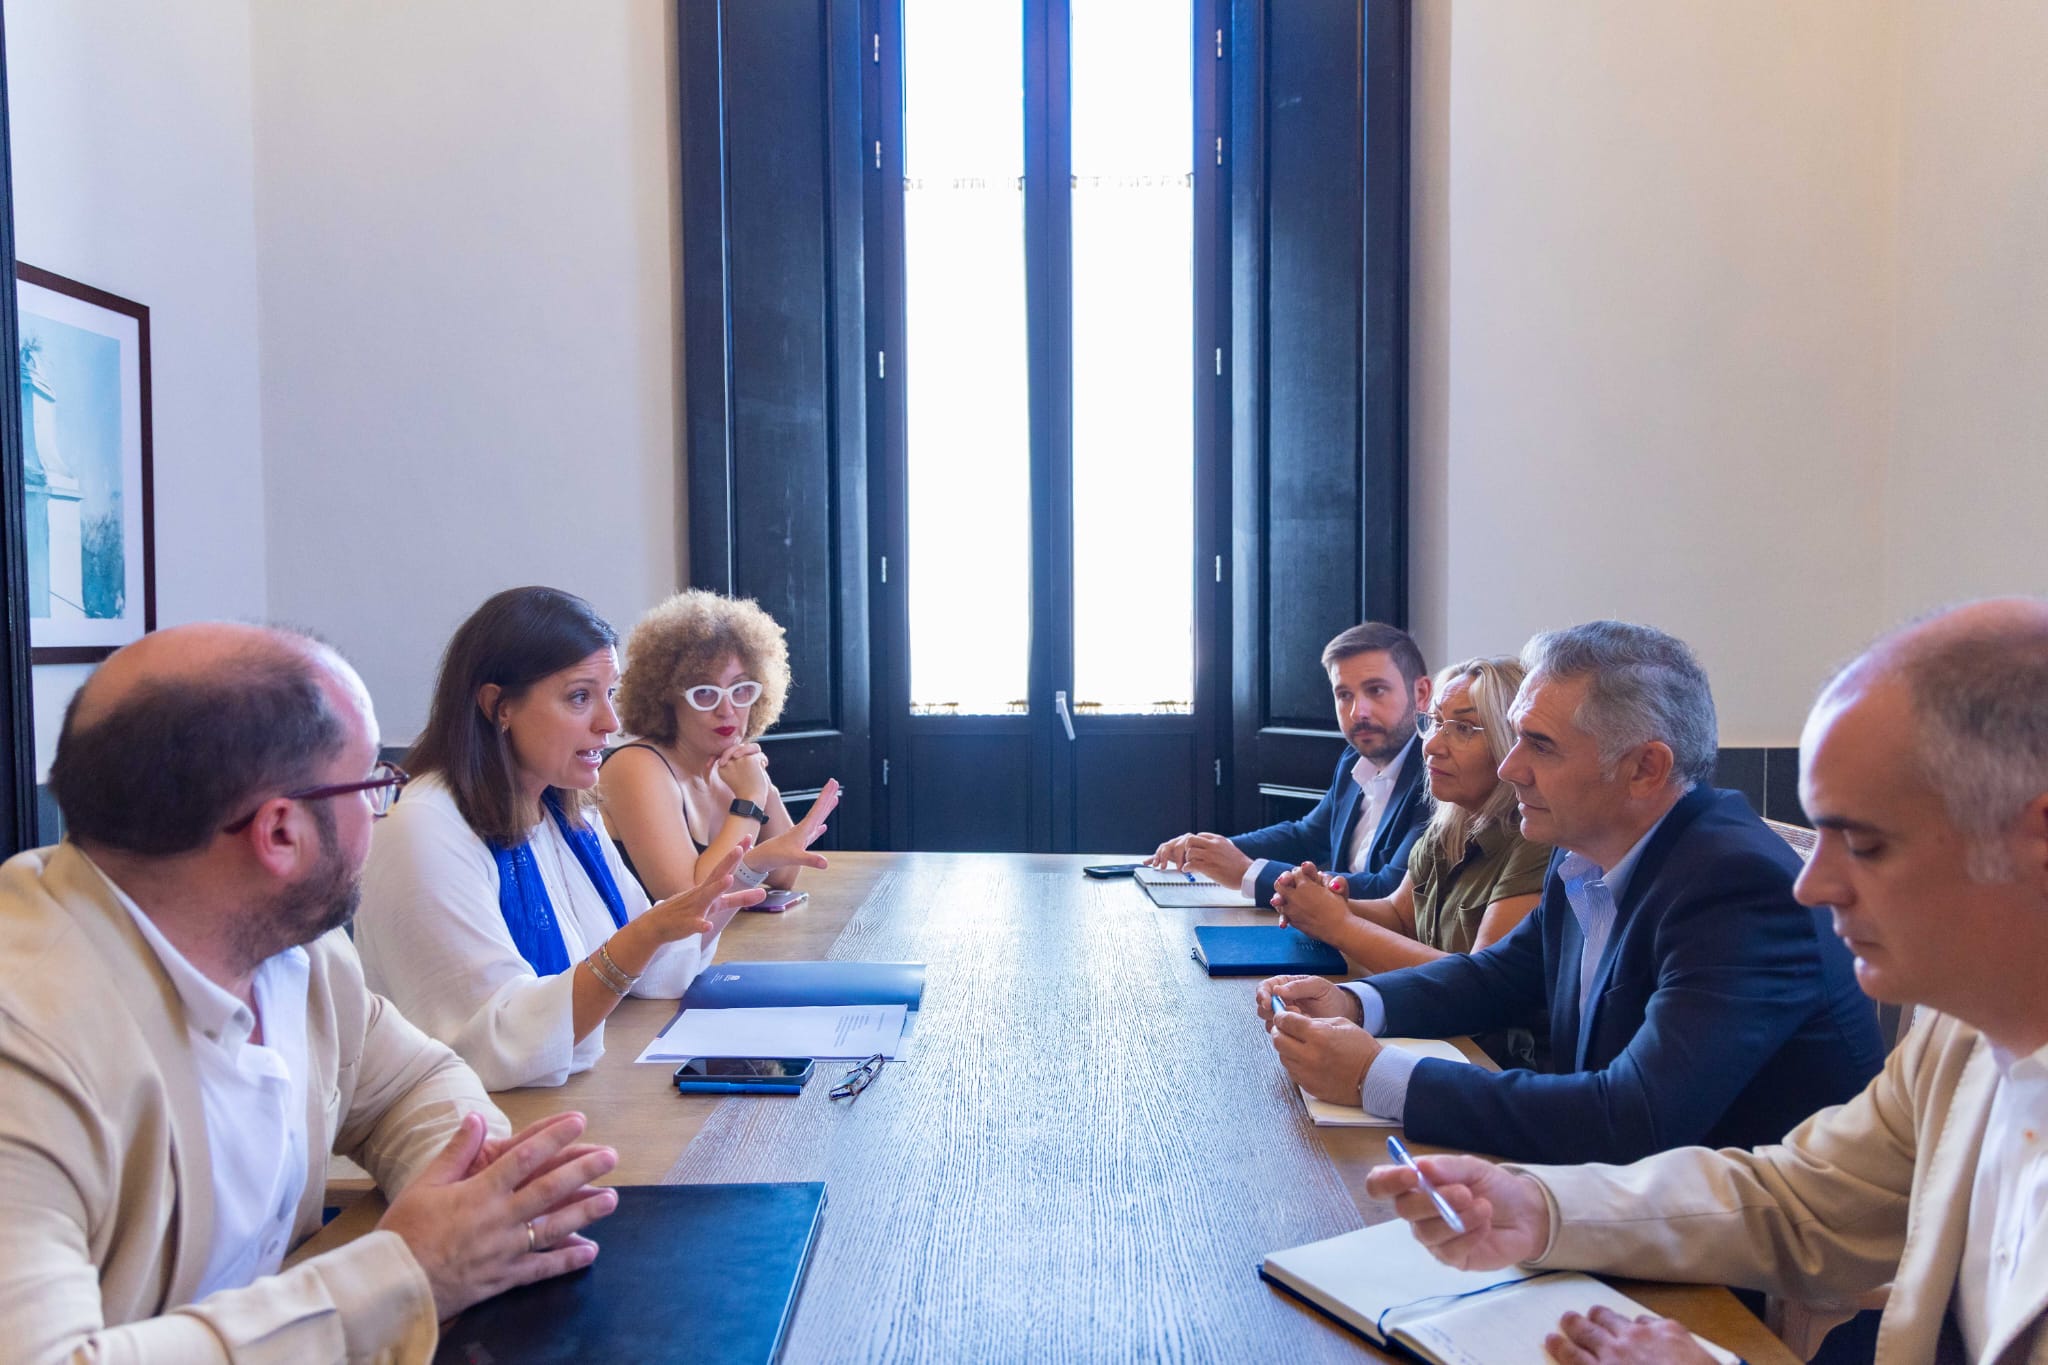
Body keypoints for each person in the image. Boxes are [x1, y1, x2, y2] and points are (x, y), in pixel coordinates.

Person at [1363, 599, 2048, 1365]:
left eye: (1865, 842)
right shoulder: (1965, 1036)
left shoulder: (1739, 881)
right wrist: (1541, 1207)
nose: (1813, 885)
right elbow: (1796, 1199)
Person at [0, 623, 620, 1362]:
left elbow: (411, 1082)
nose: (383, 811)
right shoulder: (25, 1040)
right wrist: (407, 1274)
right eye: (372, 783)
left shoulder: (293, 947)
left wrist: (470, 1199)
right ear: (281, 833)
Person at [1261, 620, 1884, 1163]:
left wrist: (1376, 1074)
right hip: (1621, 1205)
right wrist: (1355, 1004)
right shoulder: (1587, 846)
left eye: (1540, 745)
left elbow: (1633, 1118)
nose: (1510, 768)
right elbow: (1498, 978)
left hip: (1741, 1281)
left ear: (1645, 768)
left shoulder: (1738, 886)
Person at [356, 587, 759, 1090]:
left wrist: (708, 901)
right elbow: (495, 1044)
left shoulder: (566, 813)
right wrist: (644, 935)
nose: (609, 724)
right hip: (472, 1135)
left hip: (566, 1105)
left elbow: (651, 972)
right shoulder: (422, 828)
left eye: (609, 694)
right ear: (498, 706)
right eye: (579, 697)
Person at [1268, 654, 1552, 972]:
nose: (1431, 746)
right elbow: (1400, 916)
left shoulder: (1536, 839)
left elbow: (1482, 981)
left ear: (1511, 741)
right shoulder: (1450, 823)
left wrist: (1339, 925)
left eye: (1463, 728)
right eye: (1435, 722)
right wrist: (1324, 903)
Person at [1149, 622, 1433, 903]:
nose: (1359, 712)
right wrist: (1212, 850)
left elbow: (1387, 892)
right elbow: (1305, 837)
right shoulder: (1353, 761)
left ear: (1421, 694)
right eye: (1344, 695)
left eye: (1376, 690)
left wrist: (1248, 872)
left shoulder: (1438, 777)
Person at [598, 588, 839, 902]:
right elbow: (686, 899)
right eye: (705, 693)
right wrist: (751, 798)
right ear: (667, 697)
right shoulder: (636, 767)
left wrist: (763, 786)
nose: (727, 710)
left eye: (740, 690)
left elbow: (785, 875)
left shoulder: (732, 768)